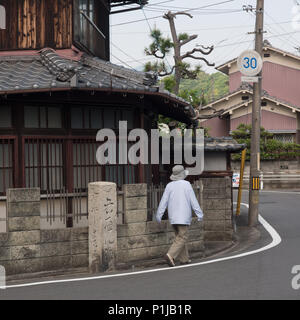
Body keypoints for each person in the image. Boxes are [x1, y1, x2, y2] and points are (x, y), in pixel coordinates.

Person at [156, 165, 203, 267]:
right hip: (183, 216)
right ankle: (170, 255)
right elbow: (193, 200)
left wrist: (159, 215)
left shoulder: (169, 186)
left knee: (179, 237)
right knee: (182, 237)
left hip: (173, 216)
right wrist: (199, 214)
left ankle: (184, 259)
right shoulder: (186, 184)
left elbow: (163, 201)